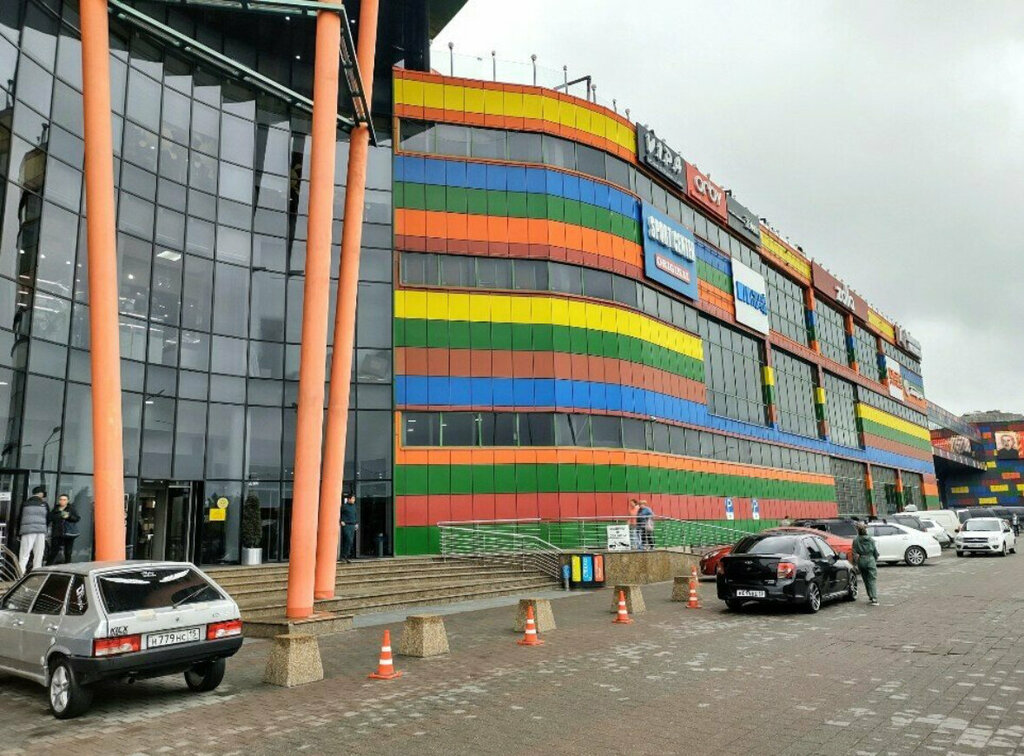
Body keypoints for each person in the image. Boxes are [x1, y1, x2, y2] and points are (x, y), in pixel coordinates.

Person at [17, 486, 50, 573]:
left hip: (27, 531)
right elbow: (48, 518)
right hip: (41, 531)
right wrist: (45, 528)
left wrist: (18, 532)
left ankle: (20, 573)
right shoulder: (44, 504)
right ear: (41, 494)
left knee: (24, 554)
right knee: (39, 554)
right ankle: (36, 572)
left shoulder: (25, 504)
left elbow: (19, 518)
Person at [851, 522, 880, 606]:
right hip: (870, 559)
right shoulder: (871, 539)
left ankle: (870, 596)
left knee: (865, 579)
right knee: (872, 579)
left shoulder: (856, 540)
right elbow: (875, 551)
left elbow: (854, 553)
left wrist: (855, 563)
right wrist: (875, 559)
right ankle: (874, 598)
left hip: (861, 560)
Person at [47, 493, 80, 565]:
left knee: (68, 552)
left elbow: (77, 518)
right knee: (54, 551)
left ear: (68, 501)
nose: (62, 501)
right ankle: (48, 565)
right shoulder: (55, 509)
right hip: (57, 533)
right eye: (61, 500)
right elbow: (50, 518)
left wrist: (69, 517)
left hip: (68, 533)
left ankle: (67, 566)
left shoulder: (71, 509)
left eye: (64, 500)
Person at [340, 493, 358, 562]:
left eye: (354, 499)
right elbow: (339, 514)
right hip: (346, 525)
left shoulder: (354, 506)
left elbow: (355, 515)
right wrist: (341, 520)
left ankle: (346, 556)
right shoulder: (344, 506)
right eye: (352, 499)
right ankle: (343, 555)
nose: (354, 500)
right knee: (348, 539)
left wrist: (356, 523)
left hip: (352, 525)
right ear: (348, 499)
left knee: (351, 541)